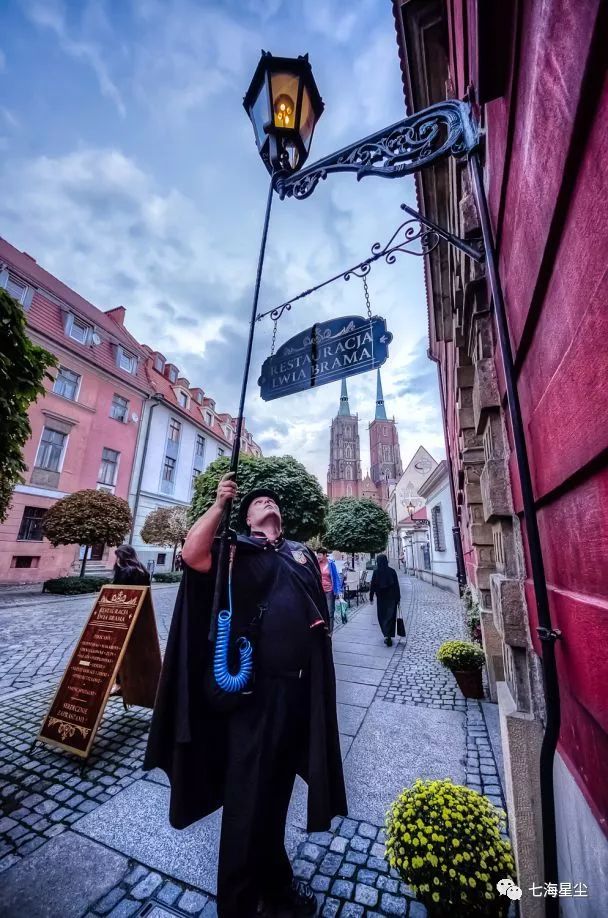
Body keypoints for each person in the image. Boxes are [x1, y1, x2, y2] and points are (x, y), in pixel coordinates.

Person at [144, 473, 347, 918]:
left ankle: (275, 884)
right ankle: (237, 904)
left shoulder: (300, 553)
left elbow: (318, 609)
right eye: (257, 501)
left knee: (275, 796)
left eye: (272, 500)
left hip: (296, 691)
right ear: (248, 518)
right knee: (246, 799)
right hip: (253, 695)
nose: (267, 501)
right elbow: (192, 555)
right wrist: (220, 505)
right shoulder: (235, 550)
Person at [369, 553, 401, 646]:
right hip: (392, 599)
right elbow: (396, 586)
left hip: (381, 599)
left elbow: (372, 586)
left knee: (382, 617)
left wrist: (371, 597)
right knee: (391, 617)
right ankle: (389, 635)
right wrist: (398, 598)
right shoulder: (392, 571)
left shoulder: (376, 572)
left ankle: (387, 635)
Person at [315, 547, 342, 633]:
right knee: (321, 612)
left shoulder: (331, 564)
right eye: (317, 554)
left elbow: (337, 578)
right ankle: (323, 631)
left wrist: (339, 591)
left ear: (325, 555)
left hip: (329, 591)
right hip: (319, 592)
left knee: (330, 612)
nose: (318, 556)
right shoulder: (316, 564)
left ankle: (330, 632)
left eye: (319, 555)